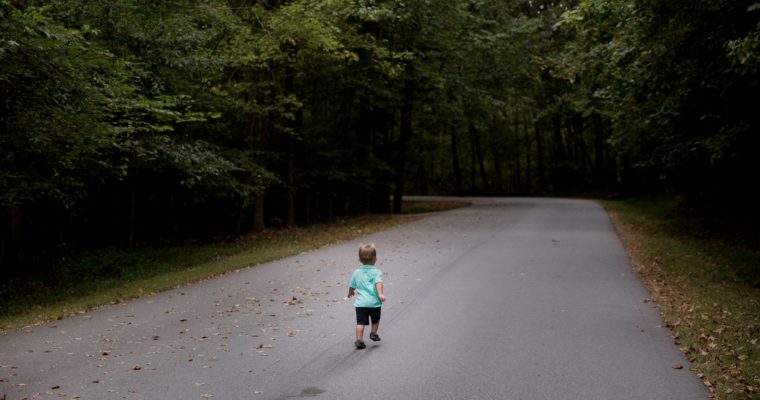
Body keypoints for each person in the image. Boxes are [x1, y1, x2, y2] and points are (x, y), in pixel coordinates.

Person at [347, 243, 386, 349]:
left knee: (360, 323)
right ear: (375, 259)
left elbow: (352, 285)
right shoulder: (376, 272)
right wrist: (380, 294)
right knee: (375, 320)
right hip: (374, 303)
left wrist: (350, 292)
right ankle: (373, 333)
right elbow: (379, 283)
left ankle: (359, 340)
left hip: (361, 304)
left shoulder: (356, 272)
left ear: (359, 259)